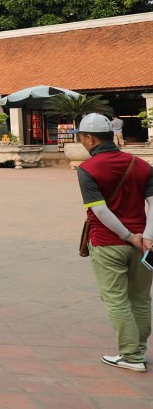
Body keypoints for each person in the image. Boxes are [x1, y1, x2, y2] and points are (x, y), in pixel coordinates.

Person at [73, 113, 153, 372]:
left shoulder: (88, 169)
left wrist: (128, 237)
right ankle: (139, 351)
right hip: (144, 245)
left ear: (90, 138)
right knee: (140, 299)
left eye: (82, 138)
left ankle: (131, 356)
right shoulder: (141, 164)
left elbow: (101, 211)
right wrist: (146, 237)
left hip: (109, 242)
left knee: (117, 300)